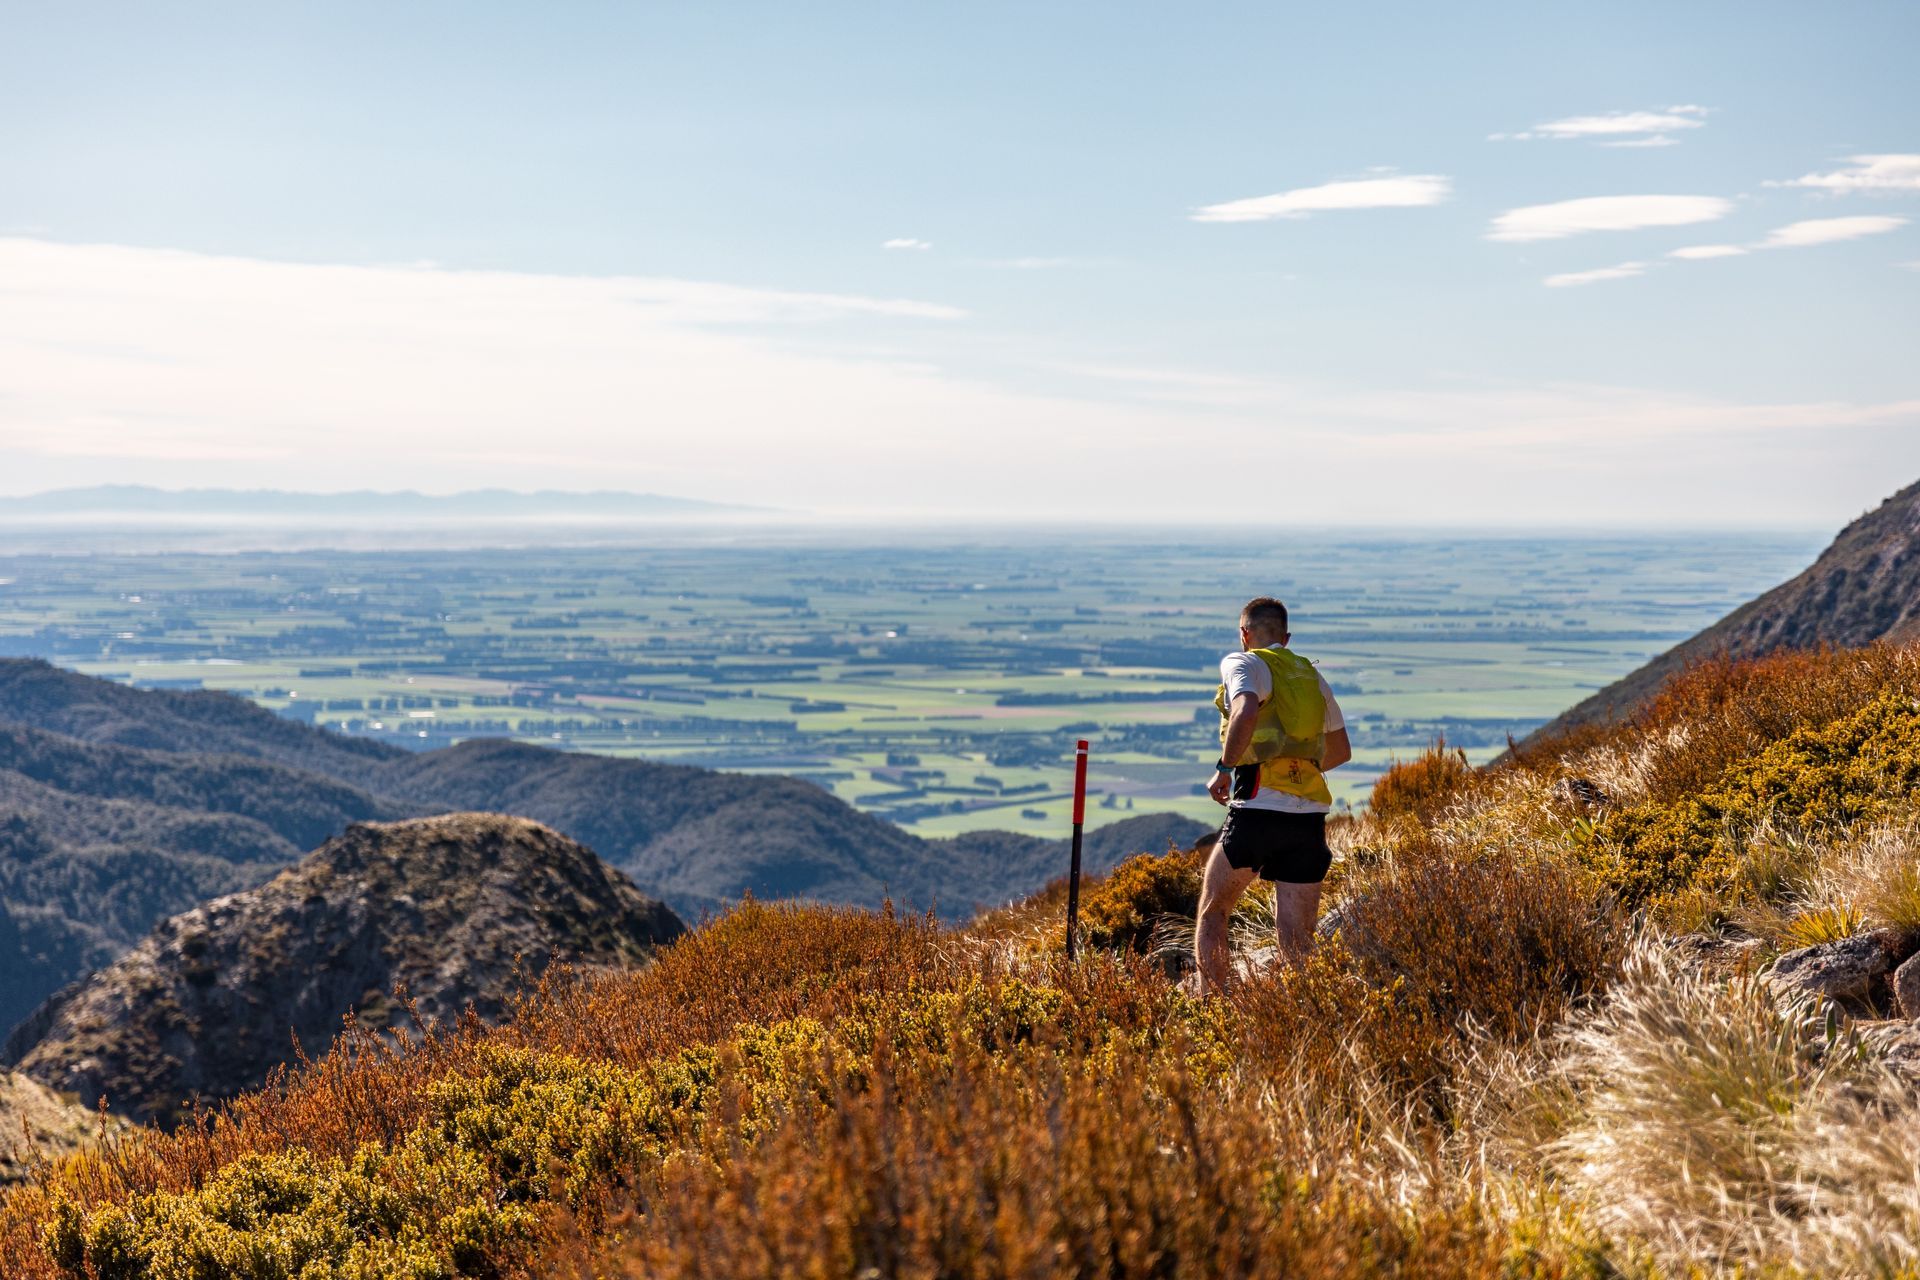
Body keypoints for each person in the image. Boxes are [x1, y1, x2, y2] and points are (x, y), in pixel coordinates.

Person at [1195, 596, 1350, 995]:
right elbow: (1340, 750)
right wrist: (1297, 770)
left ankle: (1211, 1010)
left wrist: (1225, 769)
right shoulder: (1312, 678)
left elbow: (1245, 710)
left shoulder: (1243, 662)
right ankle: (1299, 1017)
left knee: (1214, 914)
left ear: (1244, 635)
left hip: (1257, 808)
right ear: (1287, 636)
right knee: (1298, 944)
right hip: (1309, 820)